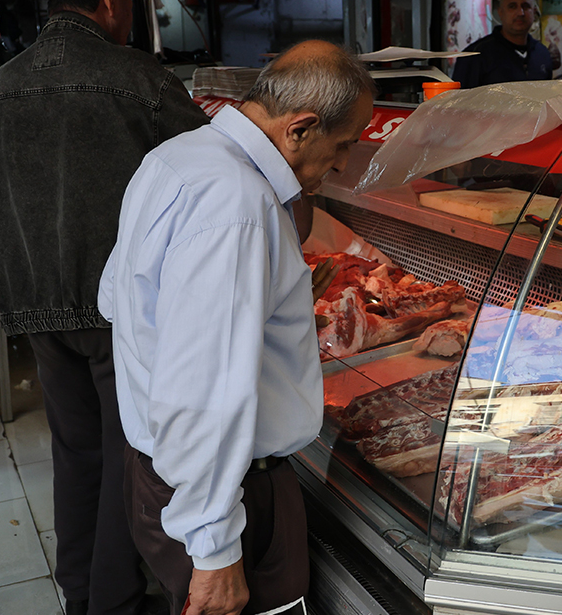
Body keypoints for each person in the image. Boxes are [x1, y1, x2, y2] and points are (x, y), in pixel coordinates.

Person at [0, 0, 211, 615]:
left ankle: (81, 593)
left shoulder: (4, 85)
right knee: (126, 458)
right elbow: (215, 178)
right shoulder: (140, 79)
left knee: (76, 454)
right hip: (120, 309)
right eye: (130, 0)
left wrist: (31, 263)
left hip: (38, 307)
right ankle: (114, 601)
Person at [99, 41, 374, 615]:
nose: (344, 164)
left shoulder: (179, 156)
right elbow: (203, 391)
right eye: (343, 144)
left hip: (165, 471)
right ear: (300, 127)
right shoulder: (237, 204)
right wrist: (216, 549)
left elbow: (115, 298)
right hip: (228, 493)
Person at [452, 0, 552, 88]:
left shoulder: (542, 53)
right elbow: (459, 101)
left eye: (525, 6)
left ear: (534, 11)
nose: (520, 13)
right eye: (512, 7)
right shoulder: (475, 56)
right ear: (500, 12)